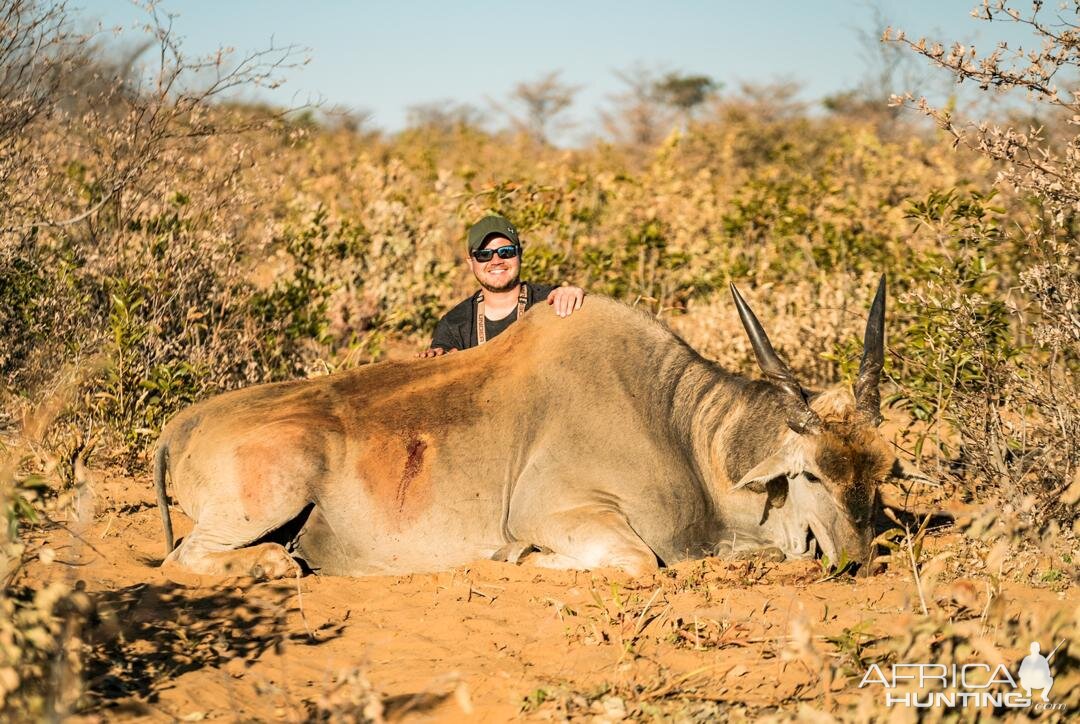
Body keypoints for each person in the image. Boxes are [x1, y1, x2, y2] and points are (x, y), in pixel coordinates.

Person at [419, 215, 585, 357]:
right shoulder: (454, 324)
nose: (496, 261)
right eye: (484, 255)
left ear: (519, 255)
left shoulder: (551, 302)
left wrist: (577, 297)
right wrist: (435, 361)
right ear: (471, 263)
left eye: (506, 251)